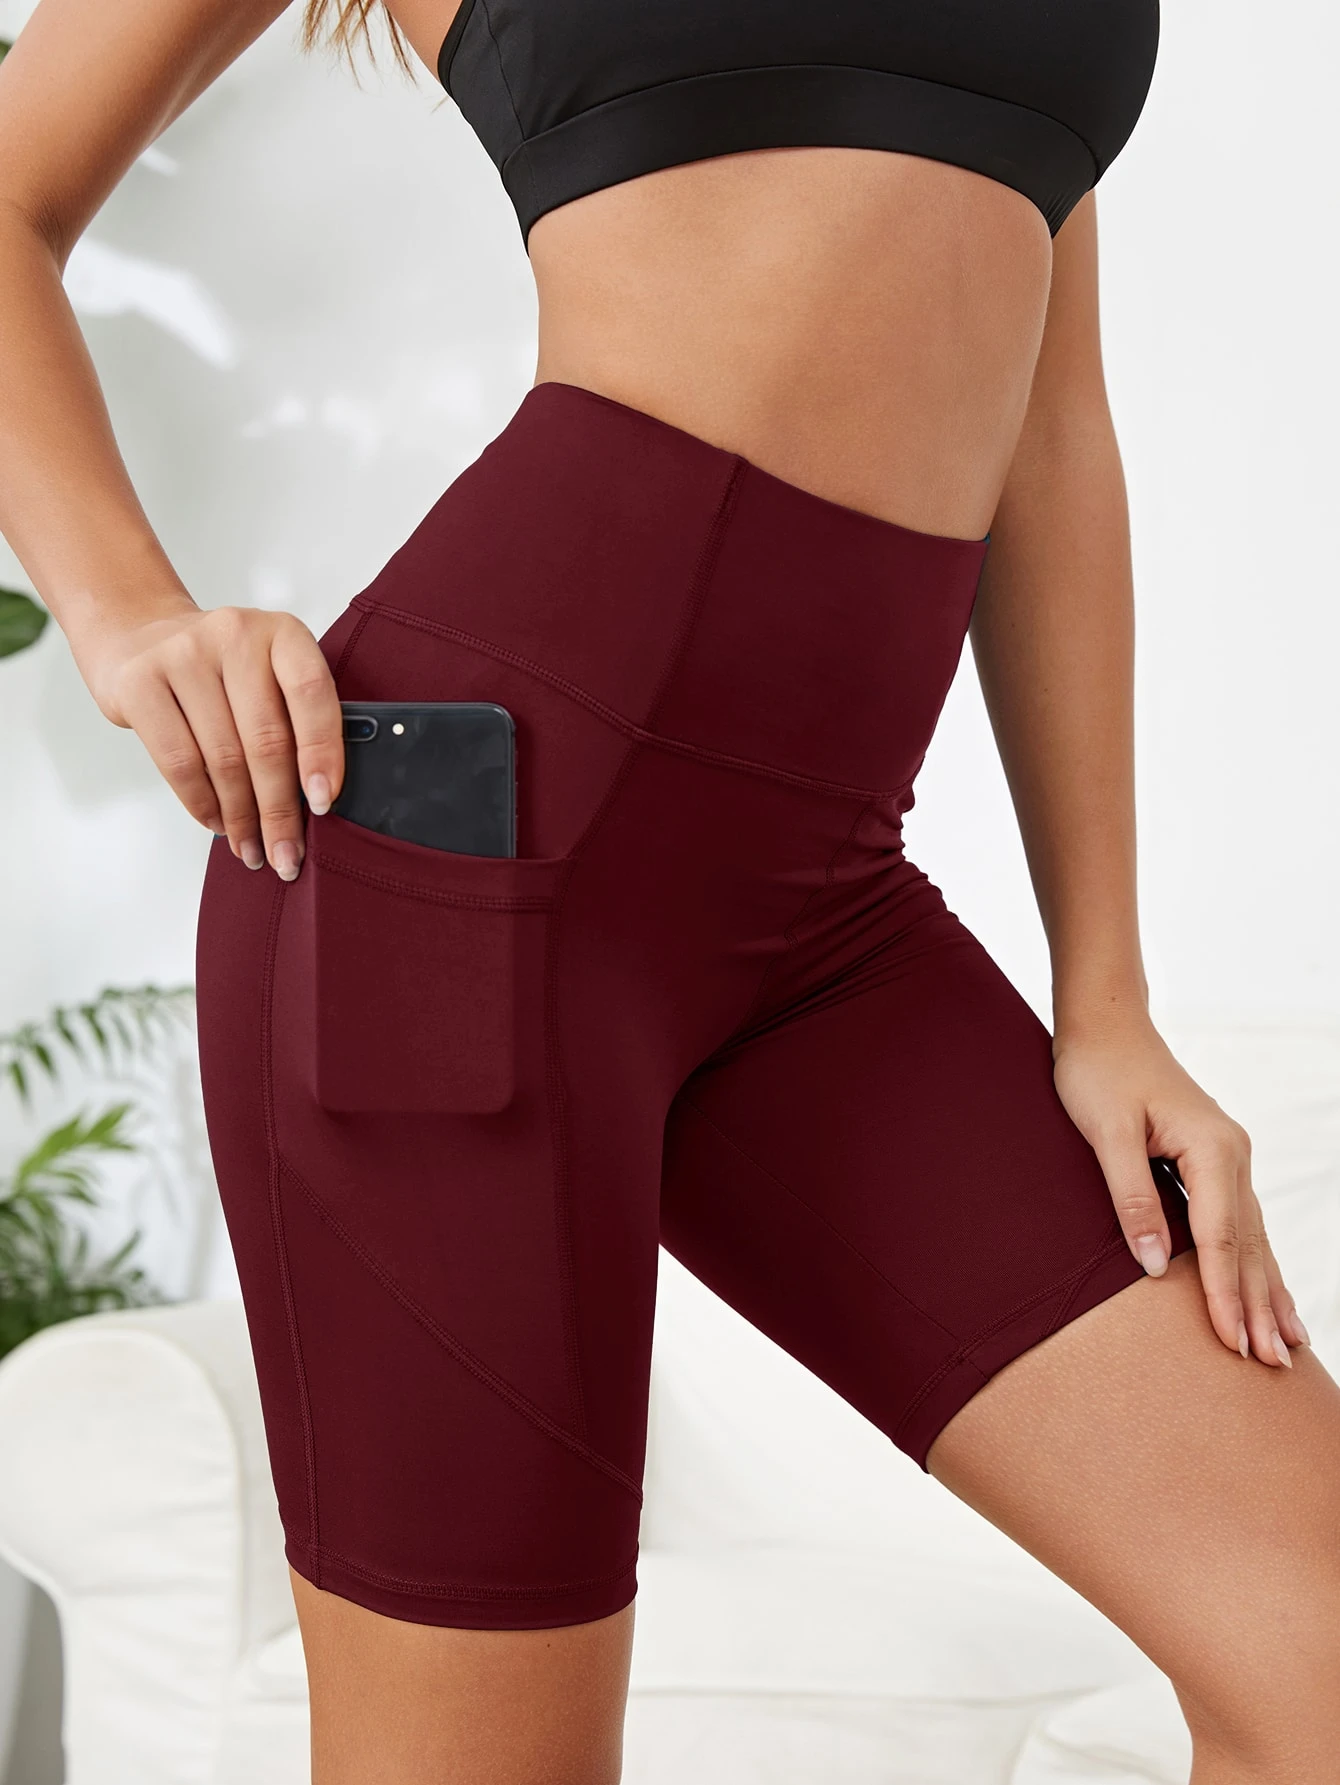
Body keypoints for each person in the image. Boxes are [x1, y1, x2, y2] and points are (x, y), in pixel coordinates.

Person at [2, 1, 1338, 1780]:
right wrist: (127, 615)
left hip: (829, 924)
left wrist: (1108, 997)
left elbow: (1049, 430)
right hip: (460, 881)